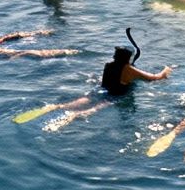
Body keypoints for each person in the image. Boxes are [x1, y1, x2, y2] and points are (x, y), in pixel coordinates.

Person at [24, 27, 172, 129]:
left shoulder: (109, 64)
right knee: (94, 109)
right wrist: (165, 71)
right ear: (129, 58)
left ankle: (53, 107)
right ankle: (73, 117)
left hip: (100, 91)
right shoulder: (130, 69)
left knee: (73, 103)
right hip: (113, 97)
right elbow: (154, 78)